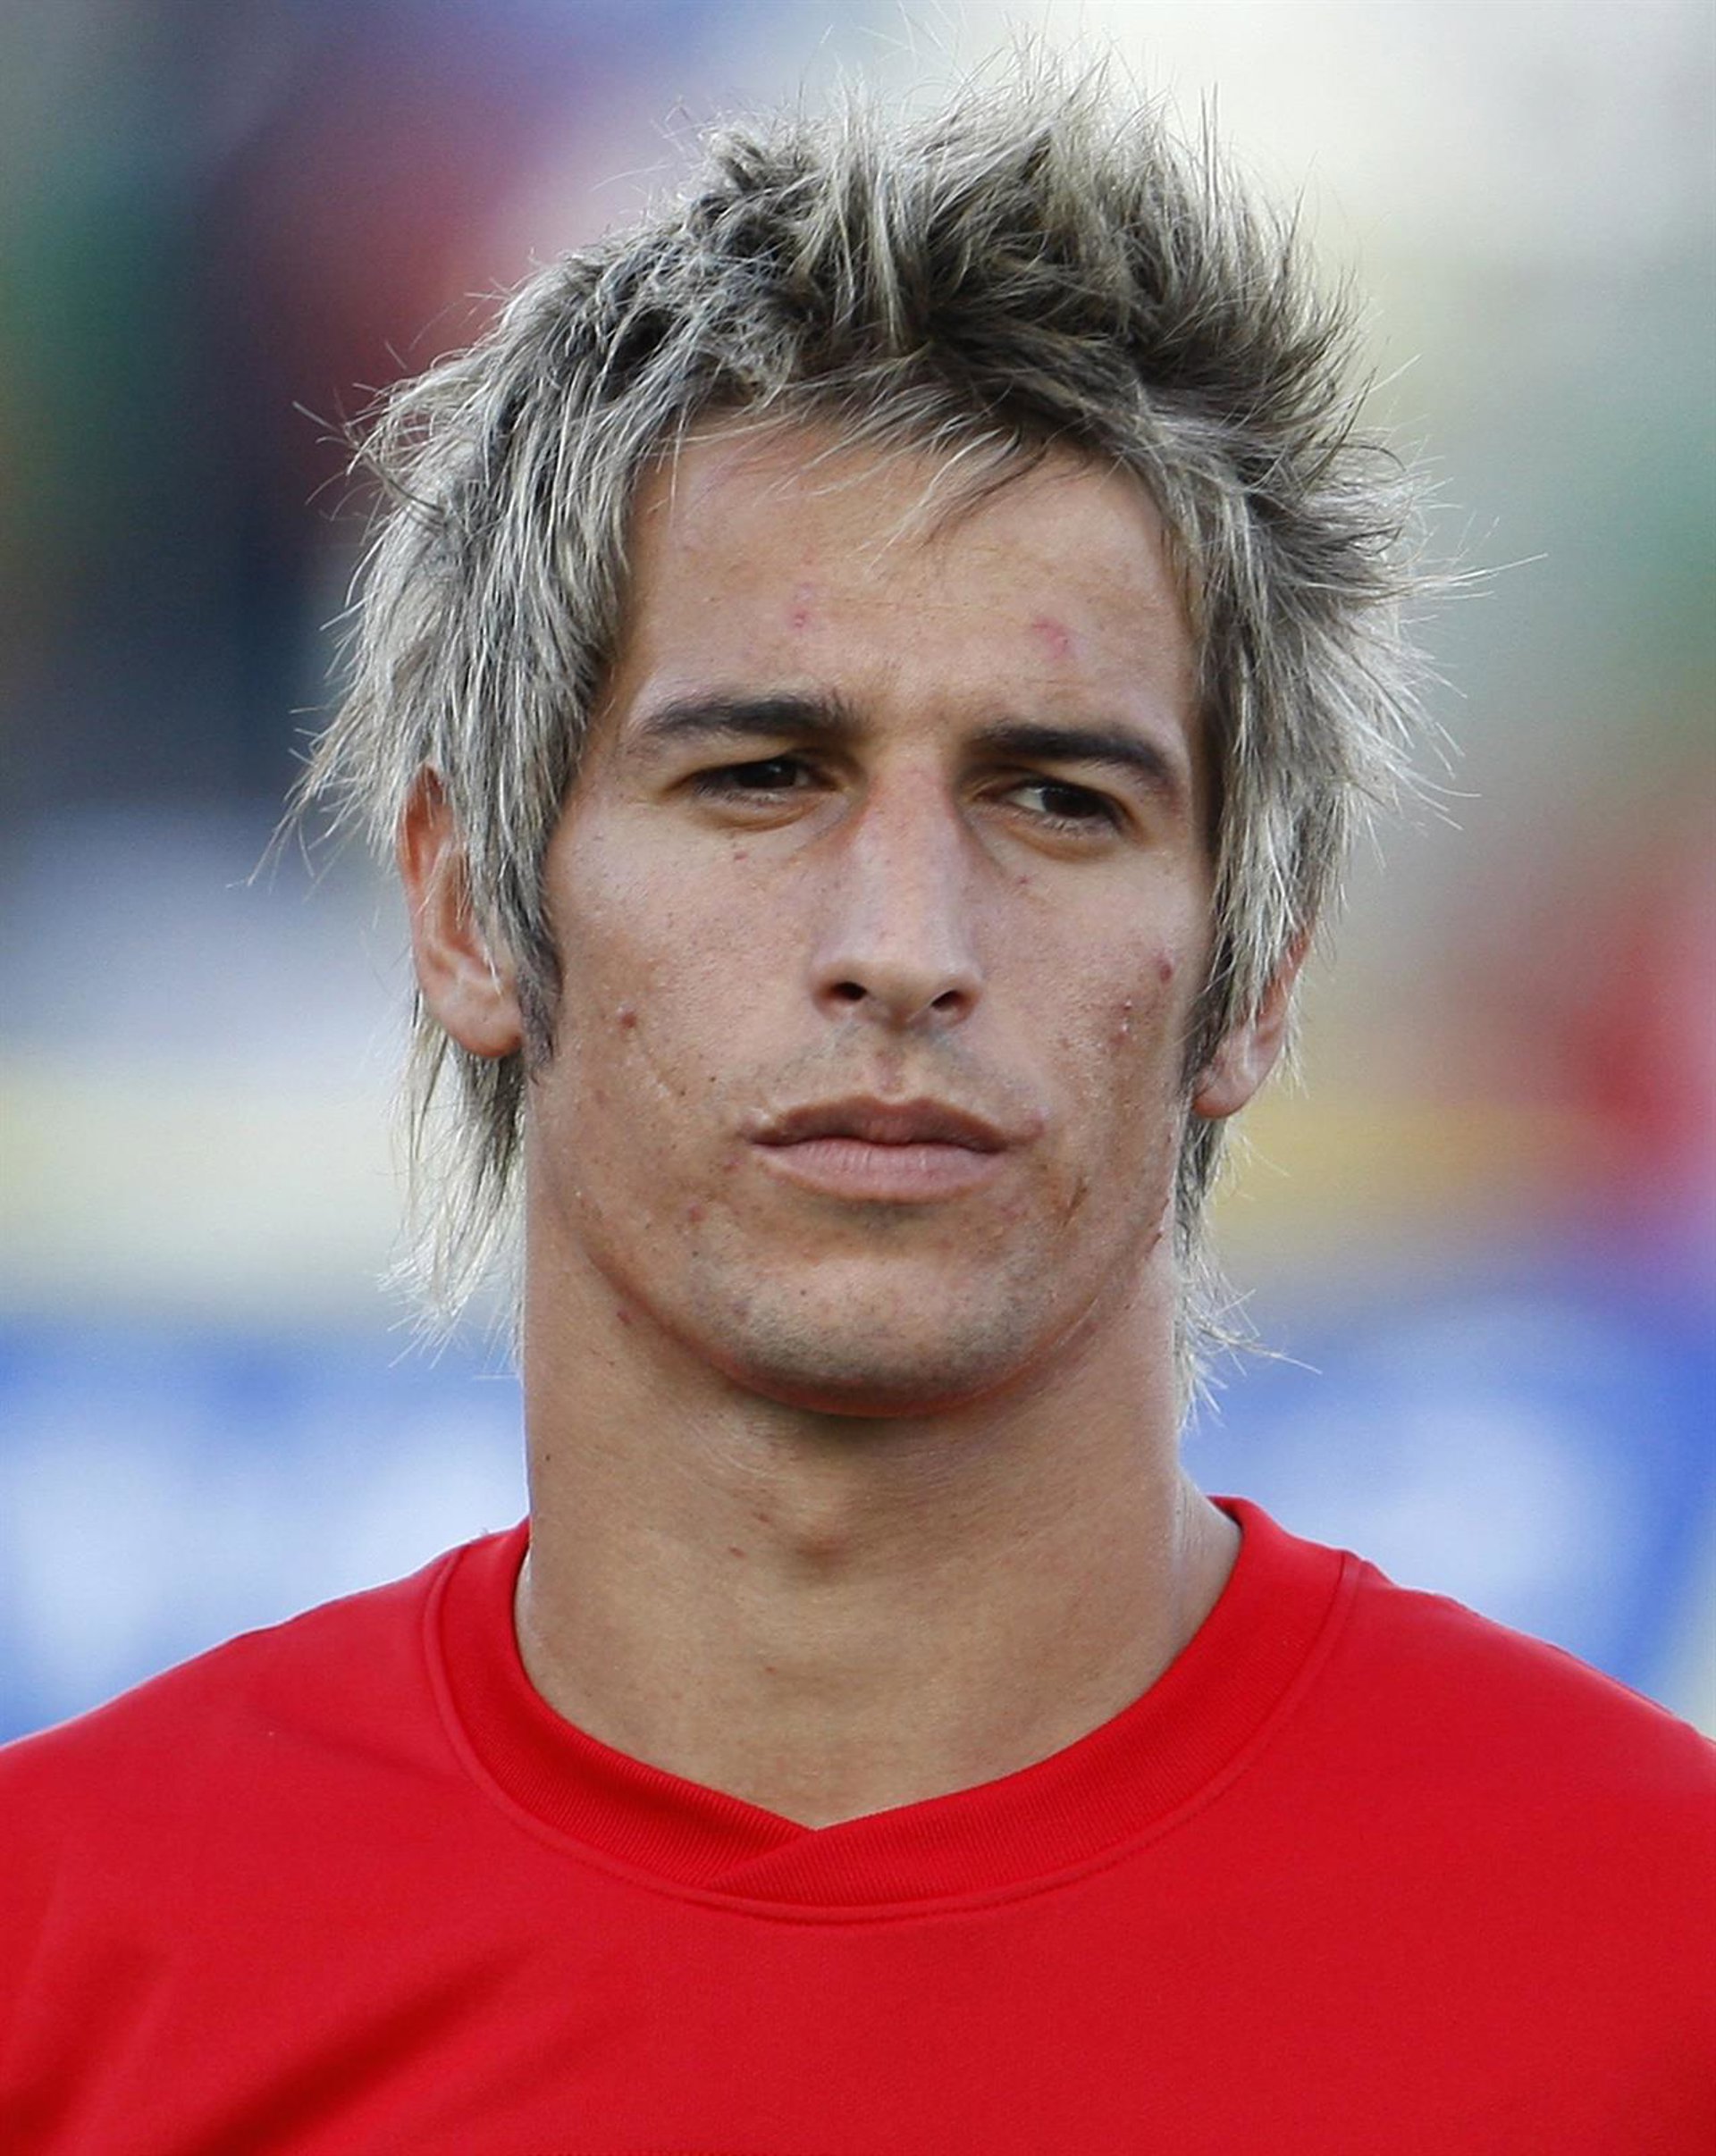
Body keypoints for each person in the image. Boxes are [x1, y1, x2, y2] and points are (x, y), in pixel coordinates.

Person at [3, 68, 1711, 2154]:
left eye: (1057, 797)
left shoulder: (1662, 1963)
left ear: (1257, 968)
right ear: (462, 904)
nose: (905, 944)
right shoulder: (61, 1963)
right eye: (761, 777)